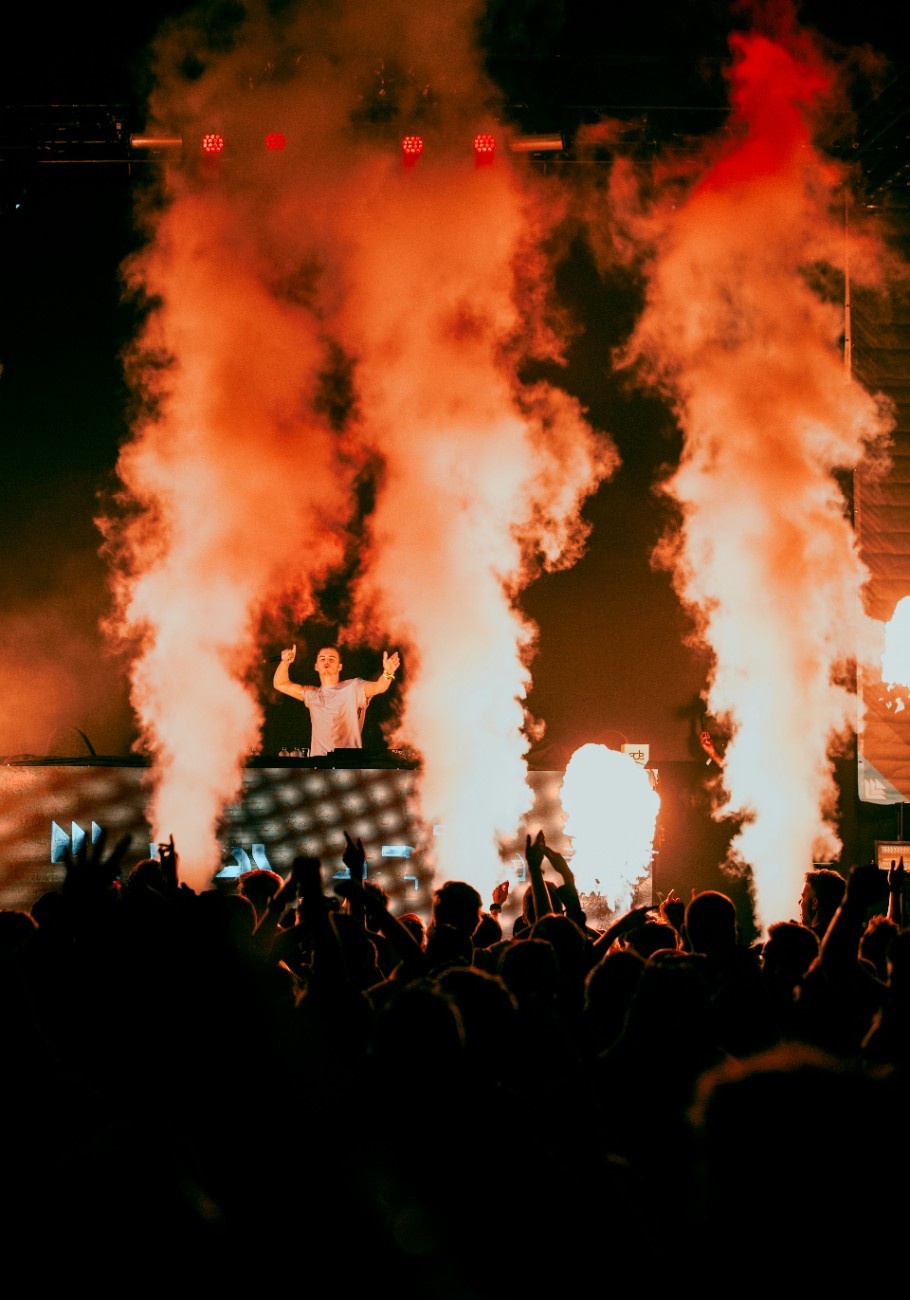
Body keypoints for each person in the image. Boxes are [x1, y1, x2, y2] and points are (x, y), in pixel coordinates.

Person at [272, 642, 400, 756]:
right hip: (318, 766)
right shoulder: (312, 694)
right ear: (316, 666)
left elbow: (379, 687)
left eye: (331, 659)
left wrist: (388, 673)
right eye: (322, 659)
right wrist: (285, 662)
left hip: (348, 766)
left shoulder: (353, 687)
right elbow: (280, 684)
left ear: (340, 666)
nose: (326, 662)